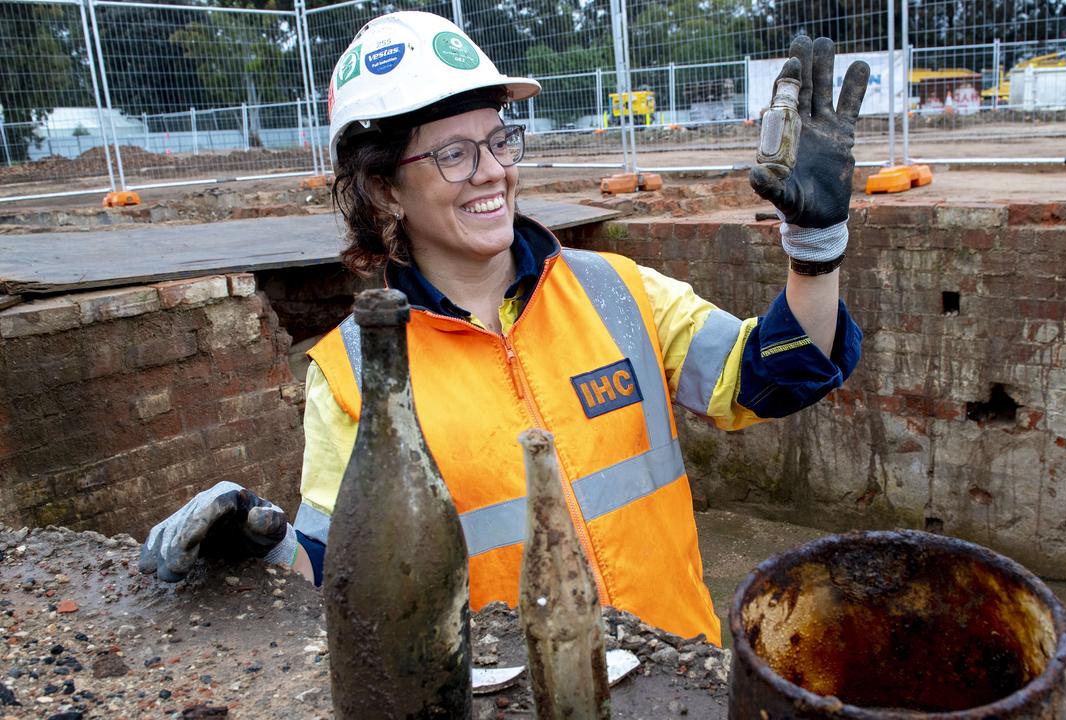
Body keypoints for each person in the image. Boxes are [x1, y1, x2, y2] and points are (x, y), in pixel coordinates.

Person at [139, 11, 869, 643]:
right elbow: (340, 571)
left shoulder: (616, 292)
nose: (491, 171)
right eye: (452, 154)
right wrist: (258, 547)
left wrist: (815, 247)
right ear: (384, 189)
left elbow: (778, 375)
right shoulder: (356, 374)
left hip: (674, 678)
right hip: (515, 698)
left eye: (497, 140)